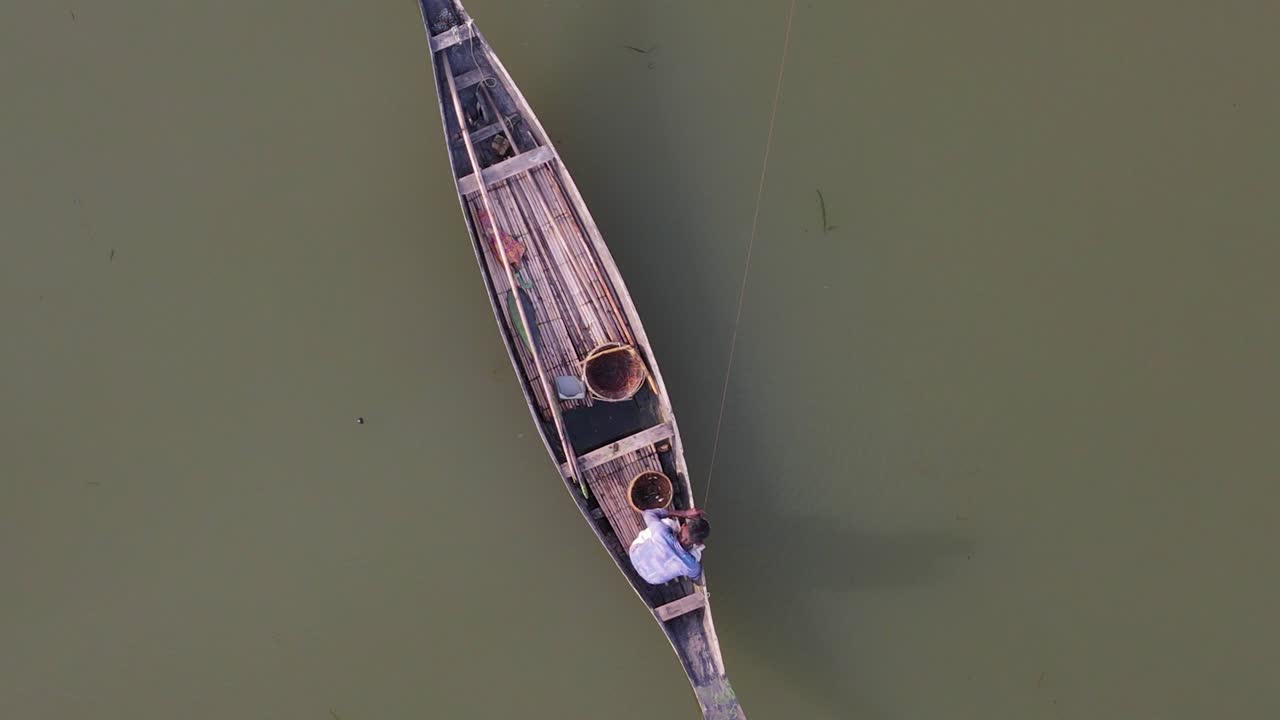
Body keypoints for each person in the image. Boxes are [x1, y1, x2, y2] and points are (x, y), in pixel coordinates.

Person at [628, 507, 711, 585]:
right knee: (696, 556)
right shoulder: (692, 566)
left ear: (683, 526)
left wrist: (684, 513)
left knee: (667, 523)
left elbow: (648, 513)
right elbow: (695, 577)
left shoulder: (661, 531)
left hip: (634, 555)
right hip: (651, 579)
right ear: (698, 542)